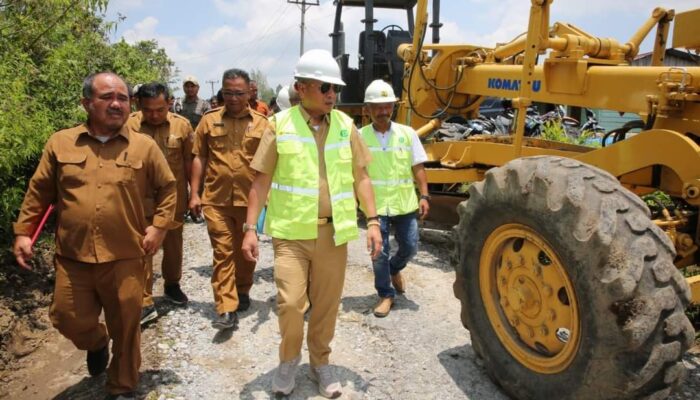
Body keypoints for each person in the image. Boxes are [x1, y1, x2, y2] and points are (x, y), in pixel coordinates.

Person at [12, 72, 177, 400]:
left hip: (127, 255)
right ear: (86, 103)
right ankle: (96, 342)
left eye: (123, 98)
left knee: (127, 328)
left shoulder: (143, 146)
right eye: (107, 97)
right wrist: (23, 232)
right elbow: (39, 191)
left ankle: (122, 385)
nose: (117, 104)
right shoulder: (61, 143)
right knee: (66, 317)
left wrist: (159, 226)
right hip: (73, 257)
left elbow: (169, 188)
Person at [241, 49, 382, 398]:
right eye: (324, 87)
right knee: (290, 304)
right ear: (301, 88)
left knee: (327, 305)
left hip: (333, 233)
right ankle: (288, 360)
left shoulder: (346, 127)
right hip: (291, 233)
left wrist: (375, 221)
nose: (332, 94)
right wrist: (249, 229)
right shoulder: (280, 125)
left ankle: (321, 362)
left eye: (335, 88)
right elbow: (260, 180)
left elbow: (361, 177)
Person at [189, 68, 269, 330]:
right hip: (216, 200)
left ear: (249, 93)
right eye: (228, 92)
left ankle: (243, 288)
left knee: (244, 252)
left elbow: (269, 166)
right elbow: (199, 156)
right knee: (223, 253)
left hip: (250, 201)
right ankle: (226, 308)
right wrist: (194, 193)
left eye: (239, 93)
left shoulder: (262, 123)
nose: (233, 98)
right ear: (222, 92)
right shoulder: (209, 121)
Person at [359, 79, 430, 318]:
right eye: (377, 107)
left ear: (393, 107)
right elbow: (355, 173)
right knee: (379, 252)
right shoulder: (359, 137)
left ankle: (394, 269)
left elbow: (418, 167)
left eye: (387, 106)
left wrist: (425, 195)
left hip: (404, 204)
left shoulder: (407, 134)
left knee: (410, 247)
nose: (383, 111)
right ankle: (385, 294)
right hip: (375, 207)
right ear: (367, 109)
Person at [126, 82, 194, 324]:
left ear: (170, 103)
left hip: (172, 197)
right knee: (142, 245)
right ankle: (144, 299)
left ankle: (172, 284)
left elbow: (189, 162)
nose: (154, 115)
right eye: (148, 110)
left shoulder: (182, 125)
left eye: (160, 109)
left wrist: (194, 193)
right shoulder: (128, 125)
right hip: (138, 198)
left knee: (173, 244)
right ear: (138, 106)